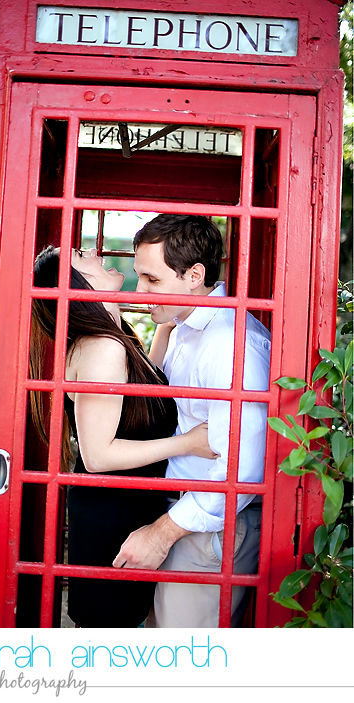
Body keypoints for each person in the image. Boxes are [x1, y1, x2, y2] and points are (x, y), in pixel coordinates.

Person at [30, 245, 215, 627]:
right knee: (108, 629)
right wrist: (188, 442)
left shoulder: (115, 337)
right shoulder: (102, 347)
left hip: (130, 505)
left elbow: (147, 394)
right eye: (83, 256)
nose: (97, 254)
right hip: (111, 512)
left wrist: (167, 321)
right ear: (80, 284)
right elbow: (98, 455)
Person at [114, 214, 270, 628]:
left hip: (208, 533)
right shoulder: (185, 325)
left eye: (152, 280)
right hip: (181, 516)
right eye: (138, 277)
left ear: (194, 274)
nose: (140, 292)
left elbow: (242, 469)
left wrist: (161, 534)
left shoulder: (229, 345)